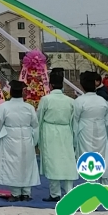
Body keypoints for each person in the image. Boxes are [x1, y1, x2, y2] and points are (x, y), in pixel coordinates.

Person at [0, 80, 40, 202]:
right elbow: (35, 125)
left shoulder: (3, 107)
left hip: (10, 137)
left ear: (11, 92)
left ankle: (15, 193)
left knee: (12, 164)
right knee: (26, 164)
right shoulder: (29, 108)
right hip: (26, 137)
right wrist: (34, 141)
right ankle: (26, 193)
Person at [37, 68, 78, 203]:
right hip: (66, 131)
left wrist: (37, 137)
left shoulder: (46, 99)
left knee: (52, 161)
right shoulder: (70, 101)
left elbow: (39, 118)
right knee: (66, 160)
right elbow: (74, 121)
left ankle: (55, 193)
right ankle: (69, 190)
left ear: (51, 84)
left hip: (50, 131)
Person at [73, 71, 108, 185]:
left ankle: (91, 185)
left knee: (88, 159)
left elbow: (75, 121)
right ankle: (105, 185)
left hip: (85, 131)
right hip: (101, 131)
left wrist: (74, 140)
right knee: (103, 156)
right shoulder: (103, 101)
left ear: (82, 85)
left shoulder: (79, 101)